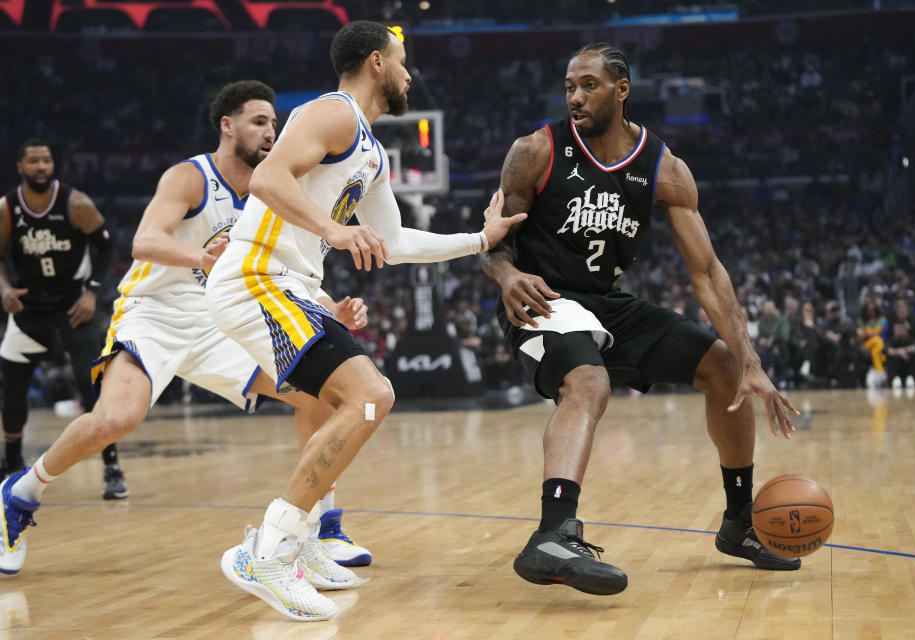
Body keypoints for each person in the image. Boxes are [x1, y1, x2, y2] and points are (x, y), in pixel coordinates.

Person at [206, 22, 524, 621]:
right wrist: (334, 230)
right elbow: (268, 177)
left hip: (291, 288)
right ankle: (268, 550)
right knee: (372, 394)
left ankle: (299, 546)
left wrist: (481, 237)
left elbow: (396, 241)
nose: (410, 74)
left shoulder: (371, 152)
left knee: (334, 407)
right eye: (403, 62)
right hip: (256, 279)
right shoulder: (333, 113)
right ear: (377, 62)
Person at [0, 83, 367, 598]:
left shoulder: (275, 189)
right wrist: (201, 257)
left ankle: (317, 532)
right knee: (114, 420)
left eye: (274, 123)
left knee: (317, 392)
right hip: (155, 314)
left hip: (220, 320)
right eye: (259, 121)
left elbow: (284, 268)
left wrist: (331, 307)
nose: (270, 132)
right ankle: (20, 494)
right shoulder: (191, 176)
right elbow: (144, 241)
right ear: (227, 125)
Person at [480, 43, 802, 596]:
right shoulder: (537, 150)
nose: (575, 96)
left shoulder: (664, 166)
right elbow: (490, 243)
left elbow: (707, 272)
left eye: (588, 85)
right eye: (569, 86)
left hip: (607, 303)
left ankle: (738, 524)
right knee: (588, 381)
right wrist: (507, 277)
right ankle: (554, 534)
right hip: (541, 299)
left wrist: (751, 361)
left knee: (724, 368)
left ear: (621, 89)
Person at [0, 139, 127, 500]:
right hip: (29, 308)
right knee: (12, 389)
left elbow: (105, 247)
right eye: (34, 161)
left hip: (74, 305)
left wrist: (91, 291)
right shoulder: (7, 209)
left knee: (93, 388)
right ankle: (10, 463)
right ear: (21, 167)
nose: (42, 166)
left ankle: (112, 466)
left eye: (47, 160)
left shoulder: (75, 202)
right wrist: (5, 290)